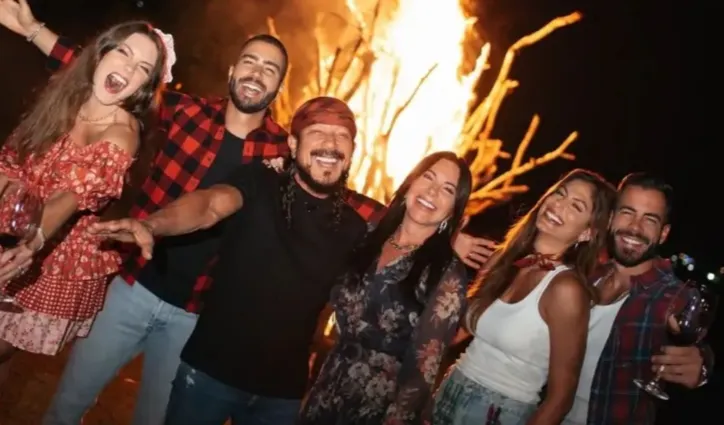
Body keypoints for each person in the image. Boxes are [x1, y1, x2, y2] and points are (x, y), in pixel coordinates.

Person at [0, 2, 386, 424]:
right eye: (249, 62)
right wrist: (34, 30)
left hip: (195, 315)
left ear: (278, 86)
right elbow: (114, 76)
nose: (257, 73)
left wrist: (424, 225)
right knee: (68, 404)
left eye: (270, 69)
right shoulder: (184, 112)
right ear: (232, 71)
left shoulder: (282, 151)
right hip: (131, 289)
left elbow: (336, 193)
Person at [89, 96, 409, 424]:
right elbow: (209, 205)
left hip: (280, 394)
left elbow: (405, 235)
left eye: (342, 136)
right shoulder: (259, 181)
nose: (331, 142)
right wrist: (152, 225)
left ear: (352, 151)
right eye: (318, 132)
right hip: (209, 372)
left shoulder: (358, 225)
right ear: (293, 143)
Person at [0, 17, 170, 391]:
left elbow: (69, 196)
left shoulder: (122, 134)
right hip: (8, 218)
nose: (128, 67)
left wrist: (34, 239)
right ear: (102, 51)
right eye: (123, 52)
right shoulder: (65, 95)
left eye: (142, 68)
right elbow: (12, 162)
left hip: (53, 258)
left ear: (144, 86)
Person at [299, 151, 470, 425]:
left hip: (379, 407)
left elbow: (424, 369)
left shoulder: (447, 273)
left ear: (453, 210)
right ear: (410, 183)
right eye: (428, 177)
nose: (432, 191)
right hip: (326, 387)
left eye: (447, 189)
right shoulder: (369, 236)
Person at [434, 169, 617, 425]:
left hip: (498, 412)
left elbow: (561, 398)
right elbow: (455, 332)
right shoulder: (505, 259)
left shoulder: (566, 289)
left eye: (575, 206)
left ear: (587, 232)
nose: (558, 205)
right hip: (450, 388)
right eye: (559, 194)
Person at [562, 172, 713, 425]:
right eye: (627, 212)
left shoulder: (675, 294)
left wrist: (704, 369)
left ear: (663, 234)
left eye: (649, 219)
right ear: (610, 219)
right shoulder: (585, 276)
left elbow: (699, 351)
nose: (635, 227)